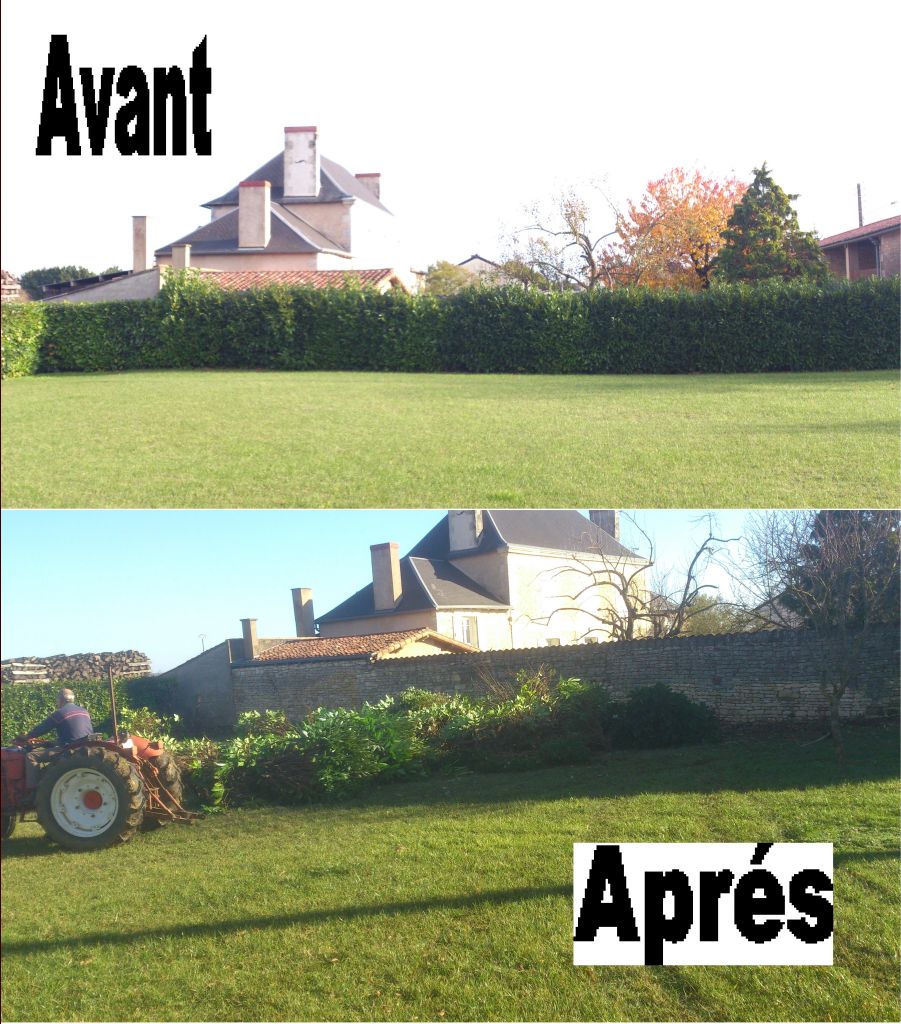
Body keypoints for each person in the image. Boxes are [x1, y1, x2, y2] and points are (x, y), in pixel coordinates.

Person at [24, 688, 94, 745]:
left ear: (60, 700)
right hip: (89, 745)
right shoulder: (85, 711)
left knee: (31, 756)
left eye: (57, 700)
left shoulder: (60, 713)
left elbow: (42, 728)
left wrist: (27, 736)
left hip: (72, 748)